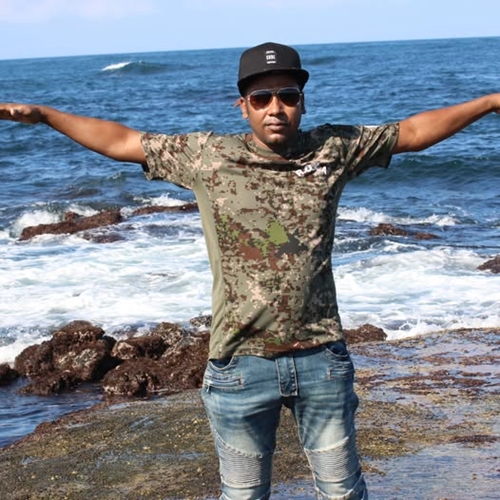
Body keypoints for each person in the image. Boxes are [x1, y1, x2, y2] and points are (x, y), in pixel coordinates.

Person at [1, 41, 498, 500]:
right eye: (262, 98)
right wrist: (46, 115)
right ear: (244, 106)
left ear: (302, 103)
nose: (275, 107)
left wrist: (490, 102)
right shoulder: (208, 157)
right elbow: (123, 141)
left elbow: (412, 133)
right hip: (239, 365)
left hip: (321, 359)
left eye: (288, 96)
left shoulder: (333, 149)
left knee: (343, 492)